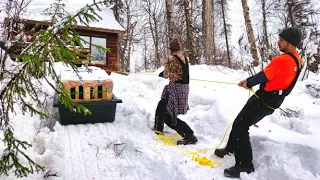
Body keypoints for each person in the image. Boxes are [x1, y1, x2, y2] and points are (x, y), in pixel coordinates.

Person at [214, 27, 302, 178]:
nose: (278, 42)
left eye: (282, 40)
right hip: (273, 98)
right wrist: (250, 82)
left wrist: (248, 82)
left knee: (242, 125)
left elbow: (264, 75)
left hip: (266, 98)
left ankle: (245, 165)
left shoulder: (283, 59)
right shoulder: (297, 60)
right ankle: (231, 148)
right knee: (239, 121)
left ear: (291, 43)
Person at [154, 39, 198, 145]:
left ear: (170, 50)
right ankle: (158, 128)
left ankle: (189, 135)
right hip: (184, 89)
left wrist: (161, 74)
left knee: (169, 116)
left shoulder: (171, 58)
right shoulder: (185, 57)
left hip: (175, 89)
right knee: (162, 105)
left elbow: (165, 73)